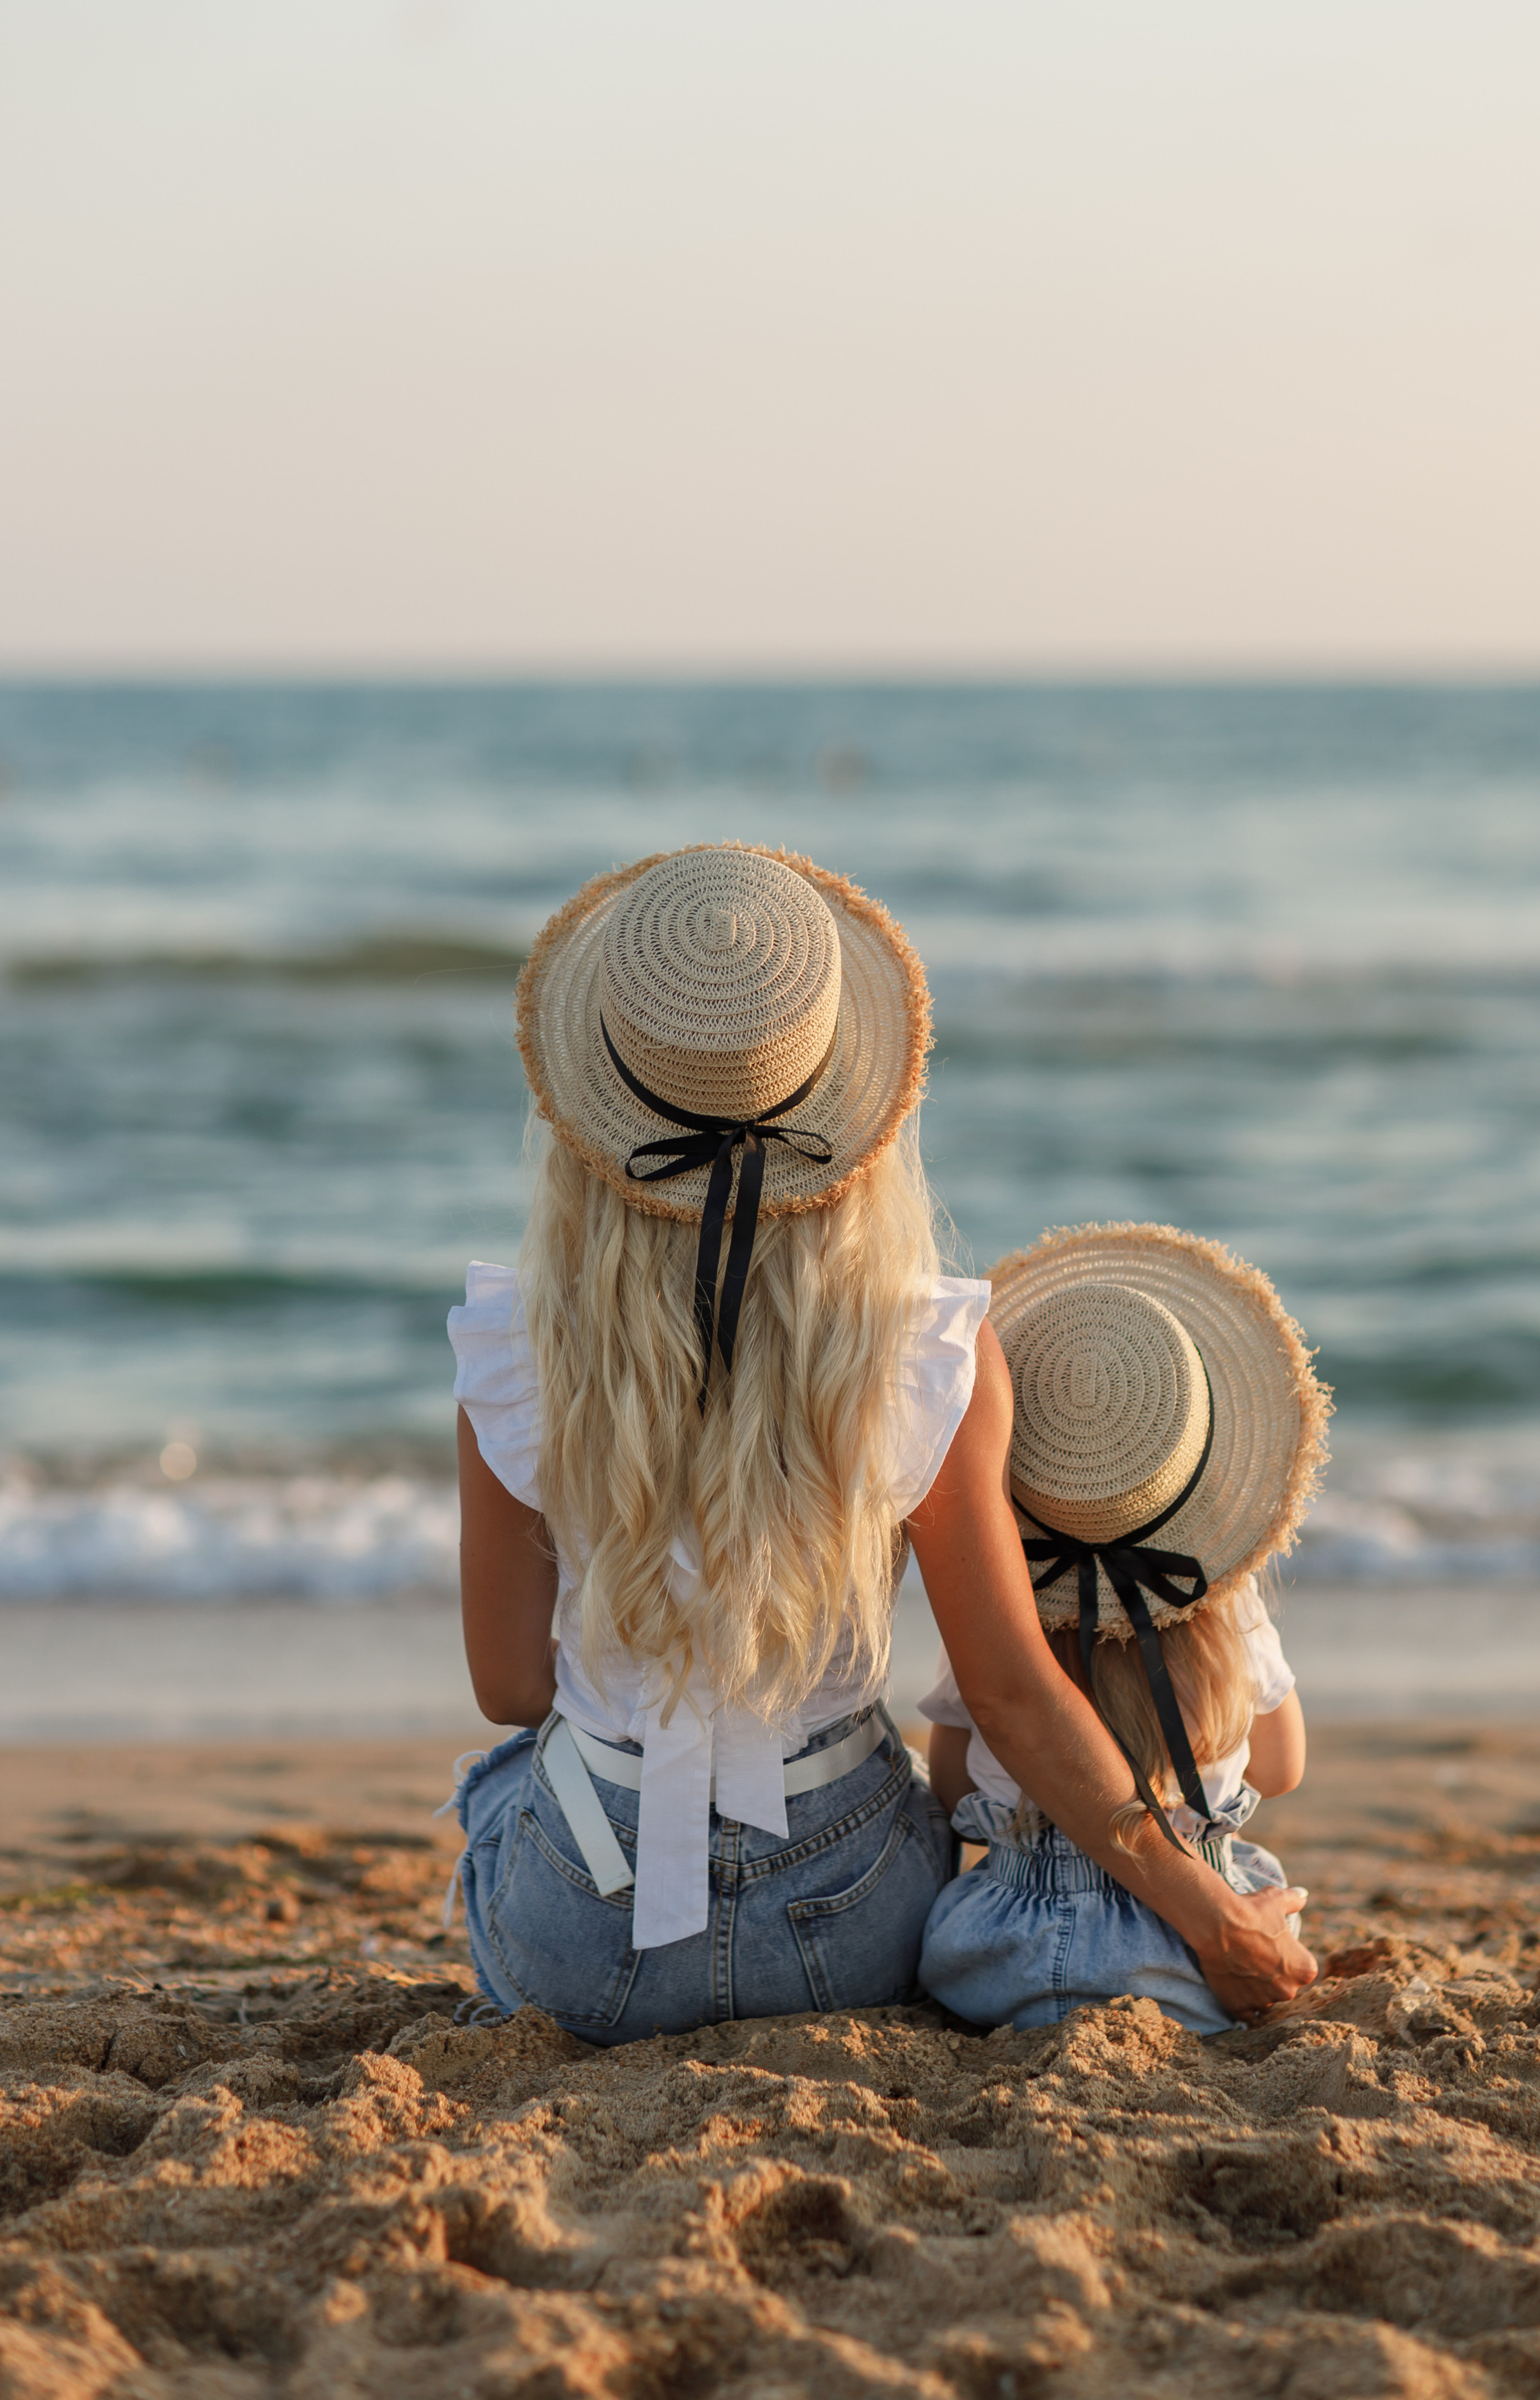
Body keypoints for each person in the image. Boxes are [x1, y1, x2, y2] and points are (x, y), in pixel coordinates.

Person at [447, 844, 1319, 2042]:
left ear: (593, 1112)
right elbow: (1014, 1698)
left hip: (589, 1947)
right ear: (843, 1100)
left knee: (503, 1786)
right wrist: (1212, 1915)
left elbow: (510, 1687)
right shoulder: (928, 1350)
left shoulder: (510, 1344)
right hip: (845, 1930)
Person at [917, 1223, 1330, 2035]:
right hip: (1185, 1960)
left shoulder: (999, 1615)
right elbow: (1280, 1767)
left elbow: (953, 1789)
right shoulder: (1226, 1607)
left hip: (997, 1959)